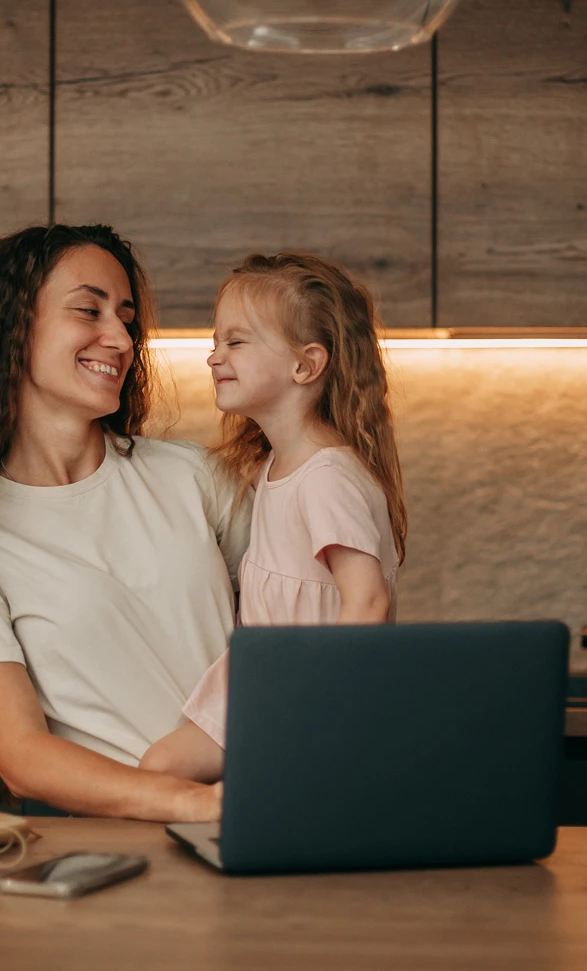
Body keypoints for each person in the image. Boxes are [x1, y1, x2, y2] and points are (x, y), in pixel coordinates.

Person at [0, 224, 246, 822]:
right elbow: (22, 754)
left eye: (125, 317)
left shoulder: (194, 477)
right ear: (12, 329)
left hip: (263, 813)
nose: (120, 338)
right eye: (88, 311)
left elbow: (306, 617)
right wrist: (202, 804)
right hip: (123, 844)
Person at [138, 252, 407, 783]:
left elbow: (368, 600)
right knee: (161, 772)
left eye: (236, 341)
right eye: (216, 342)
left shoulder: (326, 477)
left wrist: (309, 714)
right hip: (265, 683)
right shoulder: (277, 469)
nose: (214, 356)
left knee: (161, 772)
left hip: (304, 697)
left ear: (305, 365)